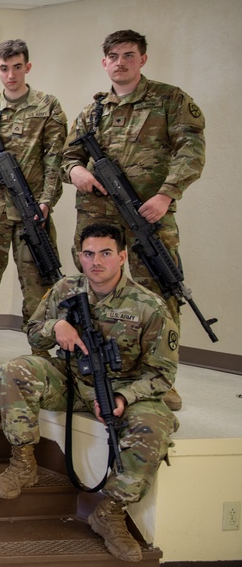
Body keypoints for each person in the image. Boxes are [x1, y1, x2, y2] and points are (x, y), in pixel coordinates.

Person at [0, 223, 178, 563]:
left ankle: (110, 512)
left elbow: (162, 374)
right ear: (80, 256)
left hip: (123, 390)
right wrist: (57, 326)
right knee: (16, 370)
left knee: (154, 427)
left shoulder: (149, 306)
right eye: (88, 254)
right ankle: (23, 463)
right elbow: (34, 333)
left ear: (122, 256)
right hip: (72, 381)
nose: (96, 262)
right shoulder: (65, 289)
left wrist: (124, 398)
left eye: (105, 253)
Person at [62, 29, 205, 412]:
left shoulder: (170, 100)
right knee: (95, 287)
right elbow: (67, 156)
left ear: (142, 59)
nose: (120, 62)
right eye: (113, 56)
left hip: (149, 215)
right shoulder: (92, 112)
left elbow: (191, 150)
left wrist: (167, 194)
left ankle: (160, 379)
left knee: (159, 291)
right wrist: (76, 172)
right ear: (104, 62)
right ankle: (97, 368)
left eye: (129, 55)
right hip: (97, 216)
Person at [0, 39, 68, 361]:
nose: (11, 75)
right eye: (5, 68)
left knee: (38, 285)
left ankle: (39, 348)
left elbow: (55, 159)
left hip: (32, 211)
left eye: (17, 67)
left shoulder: (48, 106)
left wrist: (46, 201)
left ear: (28, 67)